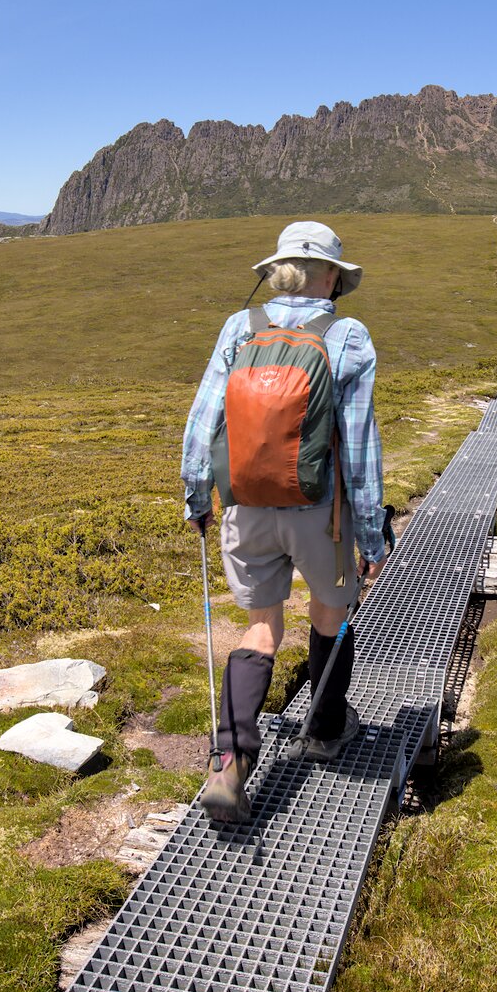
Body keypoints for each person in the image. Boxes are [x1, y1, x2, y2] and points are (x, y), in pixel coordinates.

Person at [181, 221, 389, 823]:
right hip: (318, 515)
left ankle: (229, 763)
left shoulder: (239, 328)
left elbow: (202, 421)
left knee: (262, 629)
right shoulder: (347, 336)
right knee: (329, 613)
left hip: (245, 506)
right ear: (328, 276)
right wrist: (371, 533)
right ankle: (324, 730)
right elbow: (357, 447)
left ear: (276, 271)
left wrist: (199, 496)